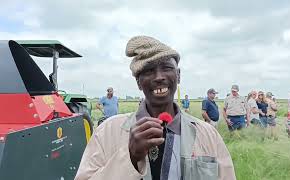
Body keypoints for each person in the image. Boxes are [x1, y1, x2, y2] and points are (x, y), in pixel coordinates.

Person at [75, 36, 236, 180]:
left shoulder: (207, 135)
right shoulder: (107, 132)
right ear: (138, 82)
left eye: (166, 68)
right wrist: (130, 157)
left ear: (178, 76)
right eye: (149, 71)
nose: (159, 77)